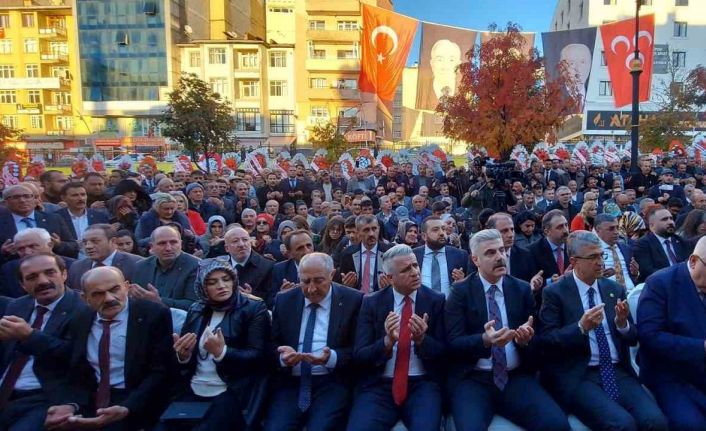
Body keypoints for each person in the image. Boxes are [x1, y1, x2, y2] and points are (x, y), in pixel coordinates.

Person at [539, 231, 668, 431]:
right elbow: (547, 341)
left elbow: (633, 338)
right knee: (622, 425)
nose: (600, 262)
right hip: (581, 374)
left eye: (601, 255)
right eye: (593, 257)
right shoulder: (555, 293)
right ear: (574, 261)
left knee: (655, 422)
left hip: (617, 371)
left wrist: (622, 324)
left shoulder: (613, 289)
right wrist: (581, 327)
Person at [446, 229, 570, 431]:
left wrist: (526, 340)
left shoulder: (521, 289)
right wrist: (485, 340)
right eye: (490, 253)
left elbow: (539, 342)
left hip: (515, 377)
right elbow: (453, 343)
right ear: (475, 260)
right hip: (474, 380)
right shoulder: (461, 292)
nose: (499, 257)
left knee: (557, 425)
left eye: (502, 251)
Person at [43, 266, 175, 431]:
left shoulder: (153, 315)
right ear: (85, 298)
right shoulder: (79, 319)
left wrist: (128, 407)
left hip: (136, 399)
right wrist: (71, 404)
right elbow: (76, 370)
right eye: (98, 294)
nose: (108, 298)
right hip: (91, 398)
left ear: (126, 286)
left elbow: (161, 372)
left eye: (114, 289)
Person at [347, 244, 446, 431]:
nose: (415, 272)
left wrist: (422, 340)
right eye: (406, 270)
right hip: (379, 385)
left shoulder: (435, 300)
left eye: (415, 265)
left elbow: (444, 352)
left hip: (422, 384)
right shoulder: (371, 303)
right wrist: (386, 342)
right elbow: (360, 355)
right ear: (390, 278)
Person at [168, 258, 271, 430]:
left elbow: (258, 356)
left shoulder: (253, 308)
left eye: (226, 279)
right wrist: (183, 356)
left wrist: (222, 353)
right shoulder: (196, 309)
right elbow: (186, 359)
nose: (221, 285)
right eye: (212, 282)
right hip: (193, 388)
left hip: (231, 390)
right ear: (203, 288)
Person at [265, 253, 363, 431]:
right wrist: (282, 357)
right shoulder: (284, 300)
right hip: (291, 383)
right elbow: (270, 344)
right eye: (305, 281)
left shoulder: (353, 300)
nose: (311, 289)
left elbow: (359, 349)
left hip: (331, 382)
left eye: (318, 281)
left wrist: (332, 357)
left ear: (332, 275)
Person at [0, 254, 86, 430]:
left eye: (50, 273)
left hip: (45, 397)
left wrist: (29, 336)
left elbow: (77, 357)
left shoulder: (83, 308)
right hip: (5, 391)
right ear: (22, 285)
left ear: (64, 274)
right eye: (32, 277)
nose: (43, 281)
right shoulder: (17, 306)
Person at [637, 236, 706, 429]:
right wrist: (701, 347)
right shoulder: (660, 283)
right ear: (693, 261)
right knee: (692, 424)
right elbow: (650, 336)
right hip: (670, 374)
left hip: (701, 370)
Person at [0, 184, 79, 260]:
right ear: (5, 202)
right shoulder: (2, 222)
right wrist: (3, 252)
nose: (22, 200)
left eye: (27, 196)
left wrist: (59, 245)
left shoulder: (53, 219)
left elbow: (73, 247)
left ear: (35, 199)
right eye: (16, 197)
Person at [131, 226, 199, 311]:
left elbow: (195, 305)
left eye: (173, 242)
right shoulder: (141, 267)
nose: (168, 248)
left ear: (181, 244)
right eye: (162, 243)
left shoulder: (196, 266)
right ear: (152, 246)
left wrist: (159, 301)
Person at [0, 228, 76, 297]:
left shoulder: (74, 267)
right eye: (21, 249)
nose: (27, 252)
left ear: (50, 245)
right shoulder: (9, 269)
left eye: (32, 246)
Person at [67, 224, 142, 290]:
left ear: (113, 241)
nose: (88, 246)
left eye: (95, 241)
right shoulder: (76, 267)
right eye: (85, 242)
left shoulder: (137, 264)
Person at [412, 216, 469, 297]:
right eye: (435, 230)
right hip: (421, 307)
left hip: (450, 307)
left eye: (443, 229)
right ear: (424, 236)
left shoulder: (460, 255)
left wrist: (463, 282)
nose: (442, 233)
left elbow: (471, 287)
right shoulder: (413, 255)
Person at [633, 206, 690, 283]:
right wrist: (674, 277)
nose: (670, 222)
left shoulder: (679, 240)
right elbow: (647, 271)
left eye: (671, 218)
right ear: (652, 226)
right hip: (660, 284)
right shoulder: (643, 244)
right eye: (664, 219)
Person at [339, 215, 392, 294]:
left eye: (374, 229)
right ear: (358, 231)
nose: (371, 234)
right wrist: (346, 285)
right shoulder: (347, 254)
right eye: (366, 230)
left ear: (379, 228)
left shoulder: (389, 253)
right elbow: (342, 284)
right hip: (357, 301)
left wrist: (390, 286)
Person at [223, 226, 274, 303]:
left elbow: (272, 299)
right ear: (227, 248)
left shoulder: (268, 266)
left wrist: (252, 296)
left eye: (245, 240)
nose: (241, 244)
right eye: (235, 241)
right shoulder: (220, 267)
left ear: (250, 242)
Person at [270, 230, 315, 308]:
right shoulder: (279, 270)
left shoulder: (325, 266)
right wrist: (282, 295)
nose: (307, 251)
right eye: (300, 248)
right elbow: (270, 302)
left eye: (309, 245)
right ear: (289, 253)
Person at [528, 210, 570, 288]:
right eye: (560, 227)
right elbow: (530, 282)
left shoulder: (573, 244)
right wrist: (550, 282)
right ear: (547, 231)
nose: (565, 230)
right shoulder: (533, 251)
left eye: (566, 225)